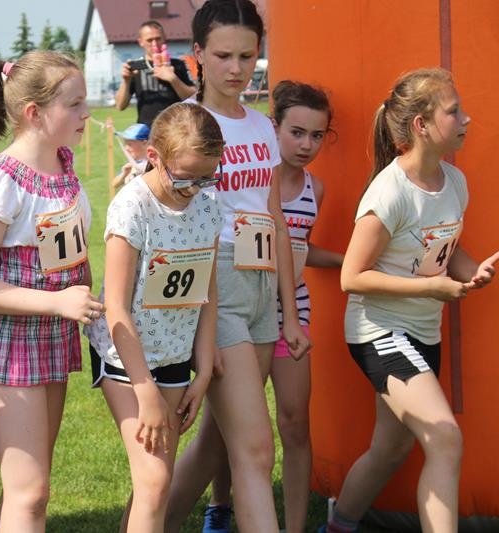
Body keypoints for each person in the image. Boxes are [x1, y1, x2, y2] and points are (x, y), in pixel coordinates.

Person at [322, 68, 498, 533]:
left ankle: (338, 526)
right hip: (379, 331)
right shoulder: (389, 192)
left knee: (392, 448)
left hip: (423, 332)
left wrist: (473, 272)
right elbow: (352, 277)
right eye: (454, 111)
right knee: (445, 438)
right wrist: (432, 289)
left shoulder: (454, 181)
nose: (466, 118)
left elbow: (445, 247)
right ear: (421, 125)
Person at [165, 2, 311, 532]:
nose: (236, 68)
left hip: (262, 283)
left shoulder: (262, 126)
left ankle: (151, 523)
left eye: (247, 56)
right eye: (223, 55)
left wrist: (289, 312)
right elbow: (162, 219)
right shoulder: (183, 124)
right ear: (197, 54)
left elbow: (276, 220)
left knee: (215, 443)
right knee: (255, 449)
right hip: (214, 284)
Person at [0, 51, 103, 533]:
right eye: (75, 104)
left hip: (51, 335)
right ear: (34, 113)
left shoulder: (64, 164)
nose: (86, 114)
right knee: (30, 491)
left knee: (28, 486)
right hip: (6, 339)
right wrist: (57, 301)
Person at [202, 80, 344, 533]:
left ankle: (295, 525)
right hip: (240, 306)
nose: (306, 145)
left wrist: (348, 261)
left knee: (295, 423)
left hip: (291, 313)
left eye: (317, 136)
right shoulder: (249, 181)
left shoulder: (315, 189)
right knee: (225, 428)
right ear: (273, 128)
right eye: (296, 132)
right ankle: (219, 507)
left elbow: (299, 247)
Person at [86, 102, 223, 532]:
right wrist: (144, 390)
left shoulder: (208, 206)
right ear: (153, 157)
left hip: (176, 358)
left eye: (208, 177)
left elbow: (207, 294)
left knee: (152, 484)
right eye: (184, 178)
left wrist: (203, 371)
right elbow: (116, 306)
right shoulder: (132, 208)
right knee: (155, 480)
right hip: (125, 359)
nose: (195, 189)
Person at [115, 20, 195, 127]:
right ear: (141, 42)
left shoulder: (177, 65)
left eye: (158, 39)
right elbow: (120, 106)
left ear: (164, 38)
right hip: (146, 131)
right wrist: (126, 81)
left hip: (175, 130)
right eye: (149, 40)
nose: (155, 44)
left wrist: (173, 79)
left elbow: (193, 99)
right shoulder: (136, 68)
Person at [112, 122, 150, 191]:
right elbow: (114, 184)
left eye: (130, 144)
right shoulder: (132, 163)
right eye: (125, 144)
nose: (126, 148)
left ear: (144, 143)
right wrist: (124, 173)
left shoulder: (153, 164)